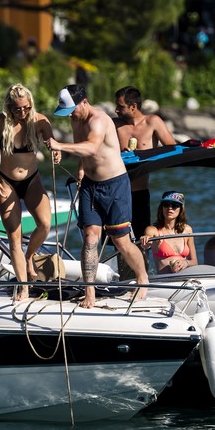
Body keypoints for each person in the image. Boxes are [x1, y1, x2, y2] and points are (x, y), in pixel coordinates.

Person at [45, 84, 149, 307]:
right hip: (90, 186)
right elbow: (83, 150)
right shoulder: (76, 119)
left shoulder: (99, 120)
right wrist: (80, 167)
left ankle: (143, 278)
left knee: (121, 241)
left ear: (84, 102)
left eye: (72, 110)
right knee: (90, 237)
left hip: (115, 185)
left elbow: (92, 146)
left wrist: (60, 146)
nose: (71, 115)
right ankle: (89, 292)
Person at [0, 84, 60, 300]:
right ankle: (23, 286)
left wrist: (56, 153)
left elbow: (52, 143)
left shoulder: (39, 120)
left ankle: (29, 257)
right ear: (9, 107)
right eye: (17, 109)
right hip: (6, 182)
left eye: (26, 108)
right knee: (14, 237)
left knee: (45, 224)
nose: (22, 113)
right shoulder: (0, 121)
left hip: (32, 180)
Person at [113, 86, 177, 242]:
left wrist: (141, 155)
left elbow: (172, 148)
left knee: (143, 240)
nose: (116, 110)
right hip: (117, 192)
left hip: (140, 192)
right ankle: (120, 267)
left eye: (120, 106)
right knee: (119, 242)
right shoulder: (114, 124)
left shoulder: (152, 122)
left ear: (133, 106)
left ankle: (142, 267)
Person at [141, 191, 198, 274]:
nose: (170, 208)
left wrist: (186, 262)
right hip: (165, 282)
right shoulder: (154, 230)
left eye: (175, 205)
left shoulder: (187, 230)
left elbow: (195, 261)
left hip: (186, 279)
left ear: (181, 209)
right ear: (162, 208)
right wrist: (146, 239)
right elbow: (148, 235)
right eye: (166, 204)